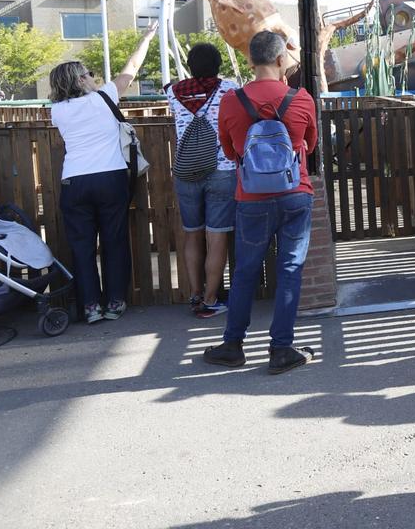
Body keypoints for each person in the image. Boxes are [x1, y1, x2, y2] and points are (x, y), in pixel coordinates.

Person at [203, 30, 318, 375]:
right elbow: (308, 147)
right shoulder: (301, 98)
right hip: (295, 195)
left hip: (251, 198)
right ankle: (281, 349)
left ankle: (233, 346)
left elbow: (229, 150)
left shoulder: (231, 101)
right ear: (282, 59)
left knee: (245, 273)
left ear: (249, 61)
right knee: (289, 271)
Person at [50, 22, 159, 324]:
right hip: (110, 178)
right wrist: (147, 37)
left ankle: (89, 307)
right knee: (114, 241)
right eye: (87, 74)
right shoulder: (105, 97)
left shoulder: (57, 111)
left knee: (82, 246)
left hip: (74, 181)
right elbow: (131, 68)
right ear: (80, 80)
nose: (92, 77)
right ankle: (115, 302)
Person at [166, 43, 238, 319]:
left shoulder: (174, 92)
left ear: (190, 65)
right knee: (217, 237)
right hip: (221, 169)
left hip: (186, 171)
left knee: (192, 233)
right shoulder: (229, 89)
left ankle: (195, 293)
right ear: (218, 64)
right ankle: (210, 300)